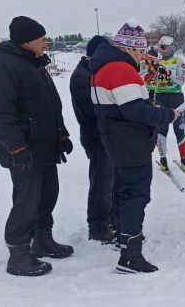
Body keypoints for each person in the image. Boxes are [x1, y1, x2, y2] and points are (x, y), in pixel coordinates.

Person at [0, 16, 74, 276]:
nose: (46, 43)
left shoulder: (34, 64)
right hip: (24, 149)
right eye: (42, 38)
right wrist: (17, 148)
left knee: (47, 194)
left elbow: (50, 105)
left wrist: (63, 135)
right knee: (27, 200)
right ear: (27, 40)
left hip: (45, 145)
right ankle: (18, 254)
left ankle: (42, 240)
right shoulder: (2, 67)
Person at [90, 19, 180, 273]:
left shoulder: (104, 67)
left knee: (122, 189)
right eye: (140, 51)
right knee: (135, 194)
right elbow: (134, 111)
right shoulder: (120, 69)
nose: (143, 56)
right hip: (130, 142)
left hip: (117, 140)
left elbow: (127, 106)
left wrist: (152, 110)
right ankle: (131, 254)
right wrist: (165, 115)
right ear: (128, 48)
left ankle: (123, 235)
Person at [69, 35, 117, 243]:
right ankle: (97, 227)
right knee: (101, 184)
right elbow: (96, 108)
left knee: (110, 182)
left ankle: (110, 220)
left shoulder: (93, 72)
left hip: (105, 135)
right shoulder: (82, 77)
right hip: (96, 137)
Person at [152, 36, 185, 171]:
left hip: (176, 98)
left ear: (171, 47)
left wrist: (168, 73)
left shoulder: (179, 61)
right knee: (162, 130)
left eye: (163, 47)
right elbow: (149, 80)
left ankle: (184, 159)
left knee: (179, 129)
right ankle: (163, 159)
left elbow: (181, 81)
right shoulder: (157, 61)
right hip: (161, 98)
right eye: (159, 47)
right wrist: (153, 70)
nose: (161, 50)